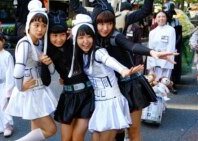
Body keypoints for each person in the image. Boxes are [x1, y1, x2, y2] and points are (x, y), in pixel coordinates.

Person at [69, 0, 178, 140]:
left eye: (109, 23)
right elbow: (76, 5)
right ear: (95, 22)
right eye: (101, 23)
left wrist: (152, 52)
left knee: (132, 131)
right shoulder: (90, 37)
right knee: (111, 132)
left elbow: (131, 45)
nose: (105, 28)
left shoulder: (116, 36)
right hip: (106, 91)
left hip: (129, 85)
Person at [71, 14, 143, 141]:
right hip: (99, 104)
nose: (86, 41)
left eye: (89, 36)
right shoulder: (81, 56)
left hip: (112, 102)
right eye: (81, 37)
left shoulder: (98, 52)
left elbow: (109, 60)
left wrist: (123, 70)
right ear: (75, 39)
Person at [5, 0, 57, 140]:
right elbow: (17, 70)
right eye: (36, 25)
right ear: (29, 25)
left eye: (44, 25)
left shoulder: (40, 43)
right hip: (30, 92)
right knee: (51, 129)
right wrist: (20, 87)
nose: (40, 29)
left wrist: (48, 62)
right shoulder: (24, 43)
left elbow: (51, 71)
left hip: (38, 90)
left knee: (37, 130)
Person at [41, 10, 95, 141]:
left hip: (87, 94)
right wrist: (43, 64)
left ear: (67, 33)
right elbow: (46, 81)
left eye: (62, 35)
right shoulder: (47, 51)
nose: (58, 39)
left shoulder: (75, 43)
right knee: (66, 139)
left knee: (77, 137)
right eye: (54, 35)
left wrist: (77, 34)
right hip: (68, 96)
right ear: (49, 35)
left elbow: (90, 38)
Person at [146, 11, 176, 81]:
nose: (161, 18)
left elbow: (171, 47)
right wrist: (152, 63)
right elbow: (150, 48)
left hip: (166, 59)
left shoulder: (171, 30)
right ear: (155, 19)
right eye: (159, 17)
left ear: (166, 18)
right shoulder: (152, 32)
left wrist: (164, 63)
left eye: (163, 16)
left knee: (164, 82)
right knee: (153, 82)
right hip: (155, 59)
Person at [165, 3, 182, 94]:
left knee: (173, 66)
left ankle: (173, 84)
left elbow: (179, 35)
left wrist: (174, 44)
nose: (169, 15)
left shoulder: (177, 22)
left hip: (174, 47)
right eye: (168, 13)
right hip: (163, 48)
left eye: (171, 13)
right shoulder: (162, 22)